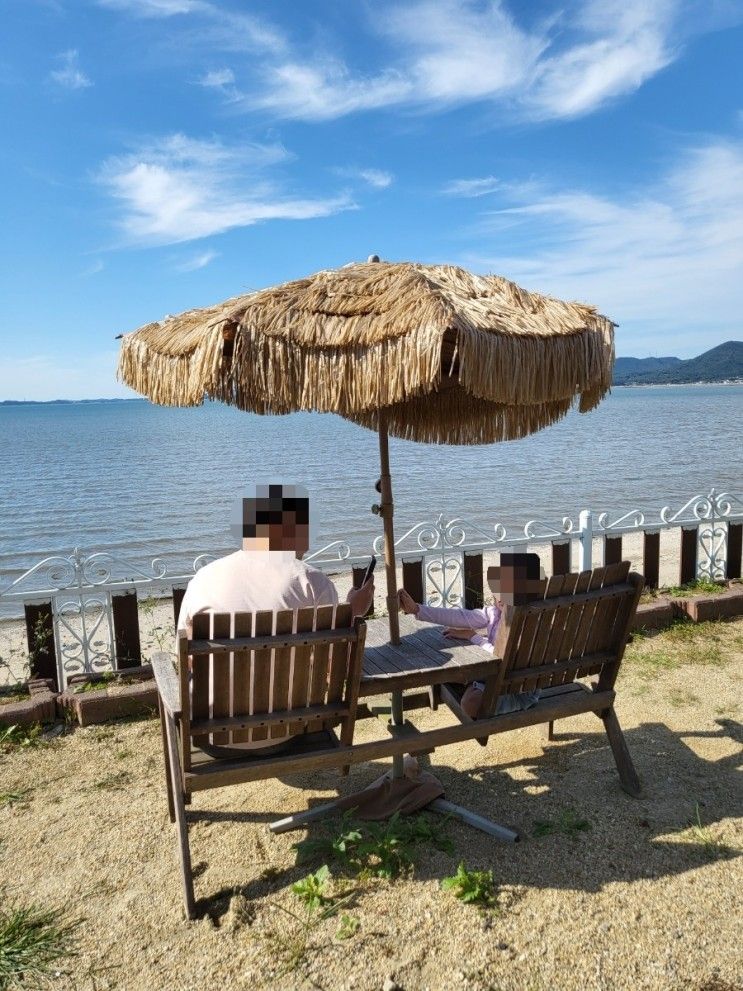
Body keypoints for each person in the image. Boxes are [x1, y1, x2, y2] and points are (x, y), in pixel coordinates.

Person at [177, 483, 374, 753]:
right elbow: (340, 665)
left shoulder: (204, 579)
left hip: (214, 736)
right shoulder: (311, 581)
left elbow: (186, 661)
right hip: (295, 729)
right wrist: (353, 612)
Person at [397, 552, 545, 717]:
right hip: (498, 678)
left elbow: (503, 657)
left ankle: (492, 696)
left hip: (519, 689)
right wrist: (417, 609)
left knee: (469, 704)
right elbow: (460, 616)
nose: (500, 598)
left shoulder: (528, 623)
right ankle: (473, 686)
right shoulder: (495, 613)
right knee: (451, 672)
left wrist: (473, 637)